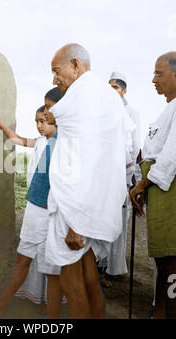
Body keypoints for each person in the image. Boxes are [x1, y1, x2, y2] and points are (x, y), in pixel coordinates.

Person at [44, 43, 128, 319]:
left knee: (71, 282)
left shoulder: (84, 98)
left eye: (57, 71)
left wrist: (77, 223)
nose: (55, 79)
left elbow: (88, 164)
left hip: (75, 209)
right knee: (90, 277)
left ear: (76, 65)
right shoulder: (106, 96)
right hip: (93, 205)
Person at [0, 87, 65, 318]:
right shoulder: (42, 141)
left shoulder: (65, 143)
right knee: (24, 259)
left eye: (45, 119)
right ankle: (0, 306)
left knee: (53, 268)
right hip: (36, 208)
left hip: (53, 211)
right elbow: (15, 139)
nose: (40, 125)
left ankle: (52, 313)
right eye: (37, 121)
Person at [130, 51, 176, 319]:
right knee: (163, 256)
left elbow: (170, 157)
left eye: (159, 74)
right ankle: (159, 312)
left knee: (171, 257)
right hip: (158, 188)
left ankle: (166, 313)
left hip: (168, 189)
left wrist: (142, 185)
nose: (153, 79)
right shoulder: (168, 108)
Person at [98, 72, 141, 285]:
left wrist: (130, 178)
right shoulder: (102, 111)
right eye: (109, 87)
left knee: (118, 224)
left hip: (122, 177)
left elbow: (133, 147)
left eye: (115, 87)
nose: (111, 90)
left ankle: (111, 269)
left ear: (123, 91)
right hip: (102, 176)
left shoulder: (132, 113)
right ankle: (98, 265)